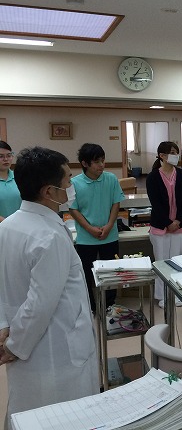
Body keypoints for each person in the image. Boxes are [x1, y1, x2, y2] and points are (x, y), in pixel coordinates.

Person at [0, 147, 99, 427]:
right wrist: (15, 346)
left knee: (28, 409)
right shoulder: (48, 235)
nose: (71, 186)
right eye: (67, 181)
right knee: (61, 415)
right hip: (55, 348)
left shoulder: (9, 225)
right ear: (48, 191)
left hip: (24, 340)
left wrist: (4, 327)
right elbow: (40, 304)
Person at [69, 143, 124, 313]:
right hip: (86, 238)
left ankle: (109, 305)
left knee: (111, 272)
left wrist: (109, 225)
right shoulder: (74, 183)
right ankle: (91, 307)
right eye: (97, 162)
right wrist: (89, 228)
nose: (102, 165)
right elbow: (73, 209)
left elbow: (116, 203)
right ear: (85, 163)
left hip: (110, 235)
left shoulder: (111, 179)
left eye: (103, 160)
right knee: (86, 274)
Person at [146, 141, 182, 309]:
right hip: (161, 227)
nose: (175, 156)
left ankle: (176, 294)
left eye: (176, 152)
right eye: (172, 152)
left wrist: (178, 221)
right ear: (162, 156)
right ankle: (162, 295)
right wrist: (168, 223)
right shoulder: (153, 177)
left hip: (180, 226)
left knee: (177, 261)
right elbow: (156, 203)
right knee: (162, 262)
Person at [0, 142, 21, 222]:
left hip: (20, 224)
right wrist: (8, 224)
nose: (6, 159)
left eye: (9, 155)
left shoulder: (19, 177)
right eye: (1, 156)